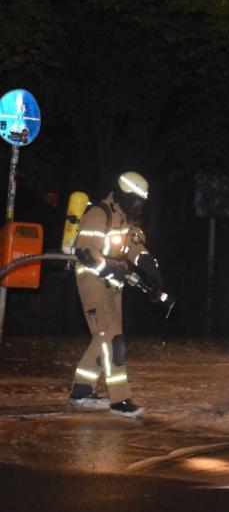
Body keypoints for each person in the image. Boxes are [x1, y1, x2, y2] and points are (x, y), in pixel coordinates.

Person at [68, 171, 163, 418]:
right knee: (112, 340)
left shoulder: (122, 218)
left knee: (105, 337)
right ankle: (119, 399)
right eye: (137, 199)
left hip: (112, 284)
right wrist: (110, 270)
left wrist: (150, 266)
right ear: (125, 193)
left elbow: (132, 247)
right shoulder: (100, 213)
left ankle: (81, 389)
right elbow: (86, 253)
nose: (139, 204)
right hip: (93, 280)